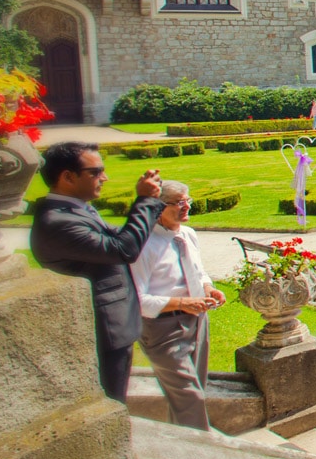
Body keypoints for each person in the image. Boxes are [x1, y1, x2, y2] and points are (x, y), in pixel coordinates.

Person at [31, 142, 164, 402]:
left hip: (112, 326)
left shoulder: (73, 210)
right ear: (67, 177)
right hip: (101, 332)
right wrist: (146, 201)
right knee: (110, 401)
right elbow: (123, 249)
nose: (104, 178)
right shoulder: (57, 222)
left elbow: (117, 238)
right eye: (95, 172)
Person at [129, 180, 224, 431]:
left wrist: (208, 289)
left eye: (188, 201)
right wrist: (183, 302)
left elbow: (198, 272)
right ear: (158, 207)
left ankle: (180, 444)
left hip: (197, 321)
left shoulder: (187, 234)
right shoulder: (144, 245)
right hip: (163, 330)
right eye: (179, 203)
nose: (186, 207)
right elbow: (137, 300)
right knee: (190, 398)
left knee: (192, 392)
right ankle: (203, 454)